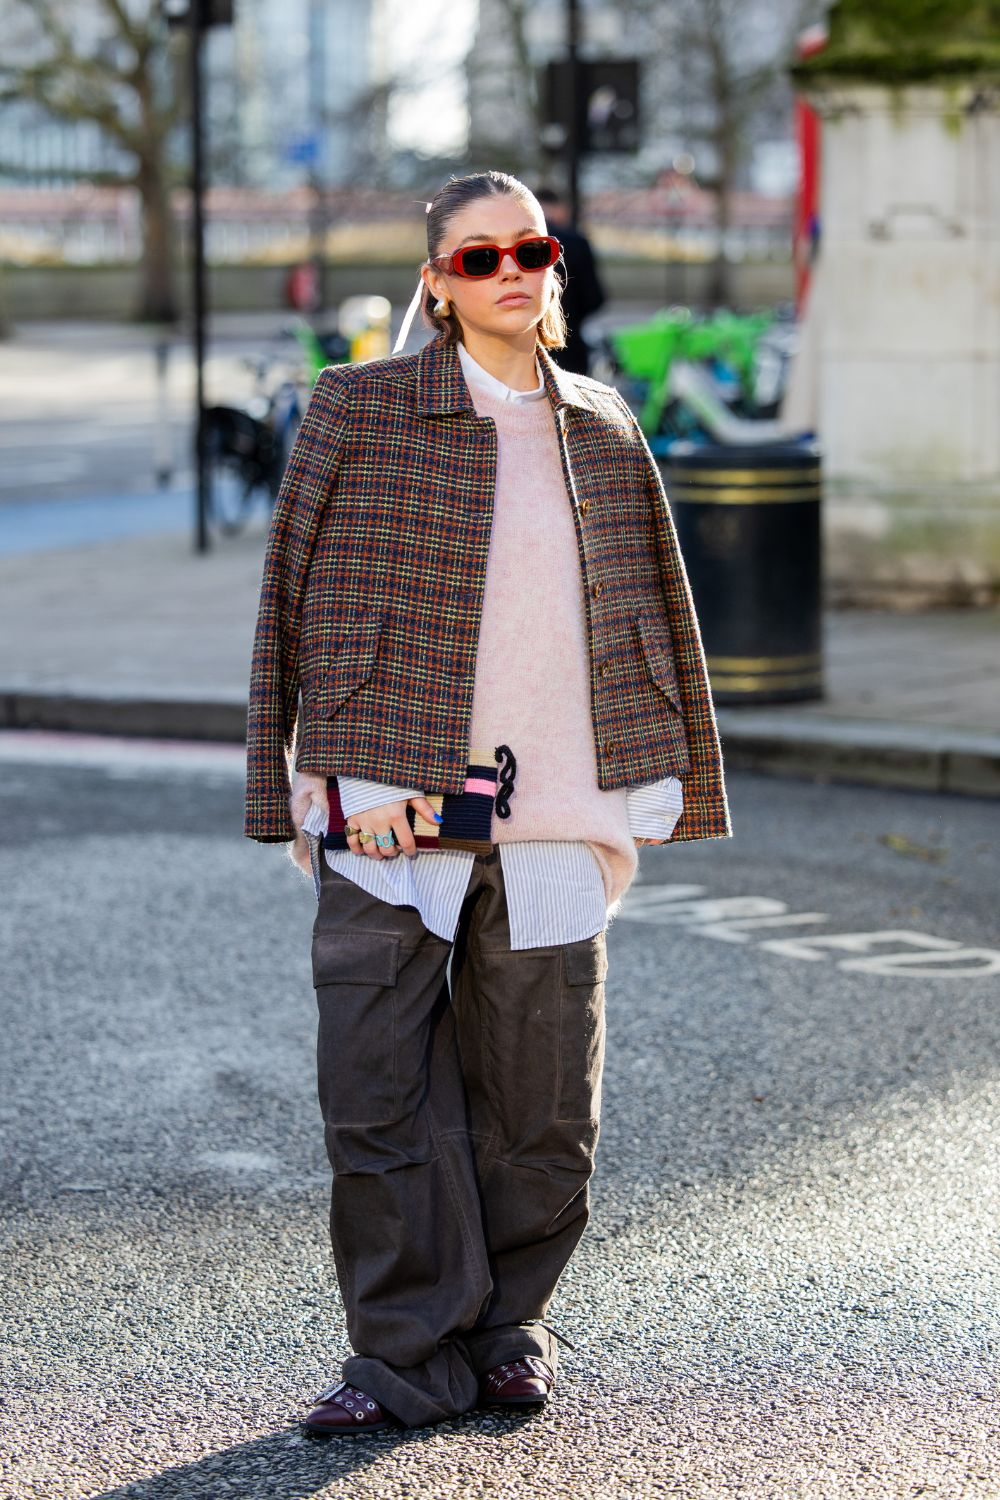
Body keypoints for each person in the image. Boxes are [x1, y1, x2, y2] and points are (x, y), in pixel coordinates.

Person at [244, 169, 730, 1436]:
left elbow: (656, 616)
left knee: (541, 1103)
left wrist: (658, 773)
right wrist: (321, 775)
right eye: (475, 256)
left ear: (551, 267)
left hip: (557, 808)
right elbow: (297, 599)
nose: (508, 269)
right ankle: (400, 1354)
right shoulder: (358, 407)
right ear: (437, 287)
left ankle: (506, 1325)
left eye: (529, 247)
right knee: (377, 1092)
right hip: (388, 811)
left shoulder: (604, 425)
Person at [534, 186, 606, 376]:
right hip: (570, 342)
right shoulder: (577, 242)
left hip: (527, 346)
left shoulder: (514, 245)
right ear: (560, 208)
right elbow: (595, 298)